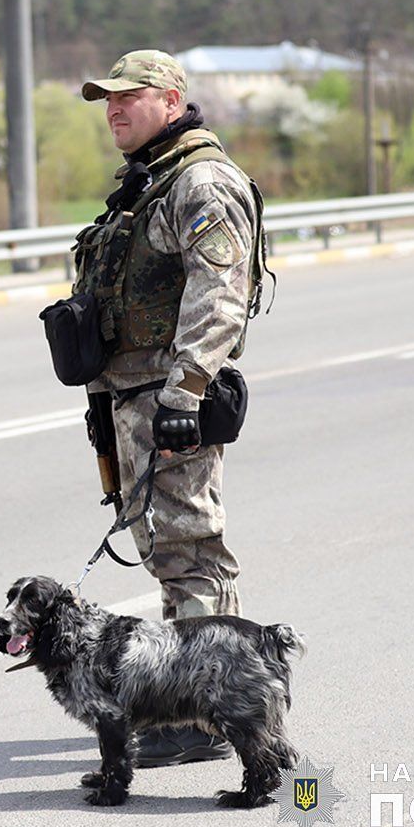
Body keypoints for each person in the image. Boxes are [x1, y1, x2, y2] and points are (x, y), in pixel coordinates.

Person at [76, 50, 264, 767]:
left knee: (189, 544)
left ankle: (203, 713)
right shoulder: (145, 185)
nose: (114, 109)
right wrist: (103, 399)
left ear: (171, 98)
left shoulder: (200, 182)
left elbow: (217, 292)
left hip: (170, 399)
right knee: (166, 546)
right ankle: (211, 693)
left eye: (129, 96)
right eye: (106, 100)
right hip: (133, 396)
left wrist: (183, 394)